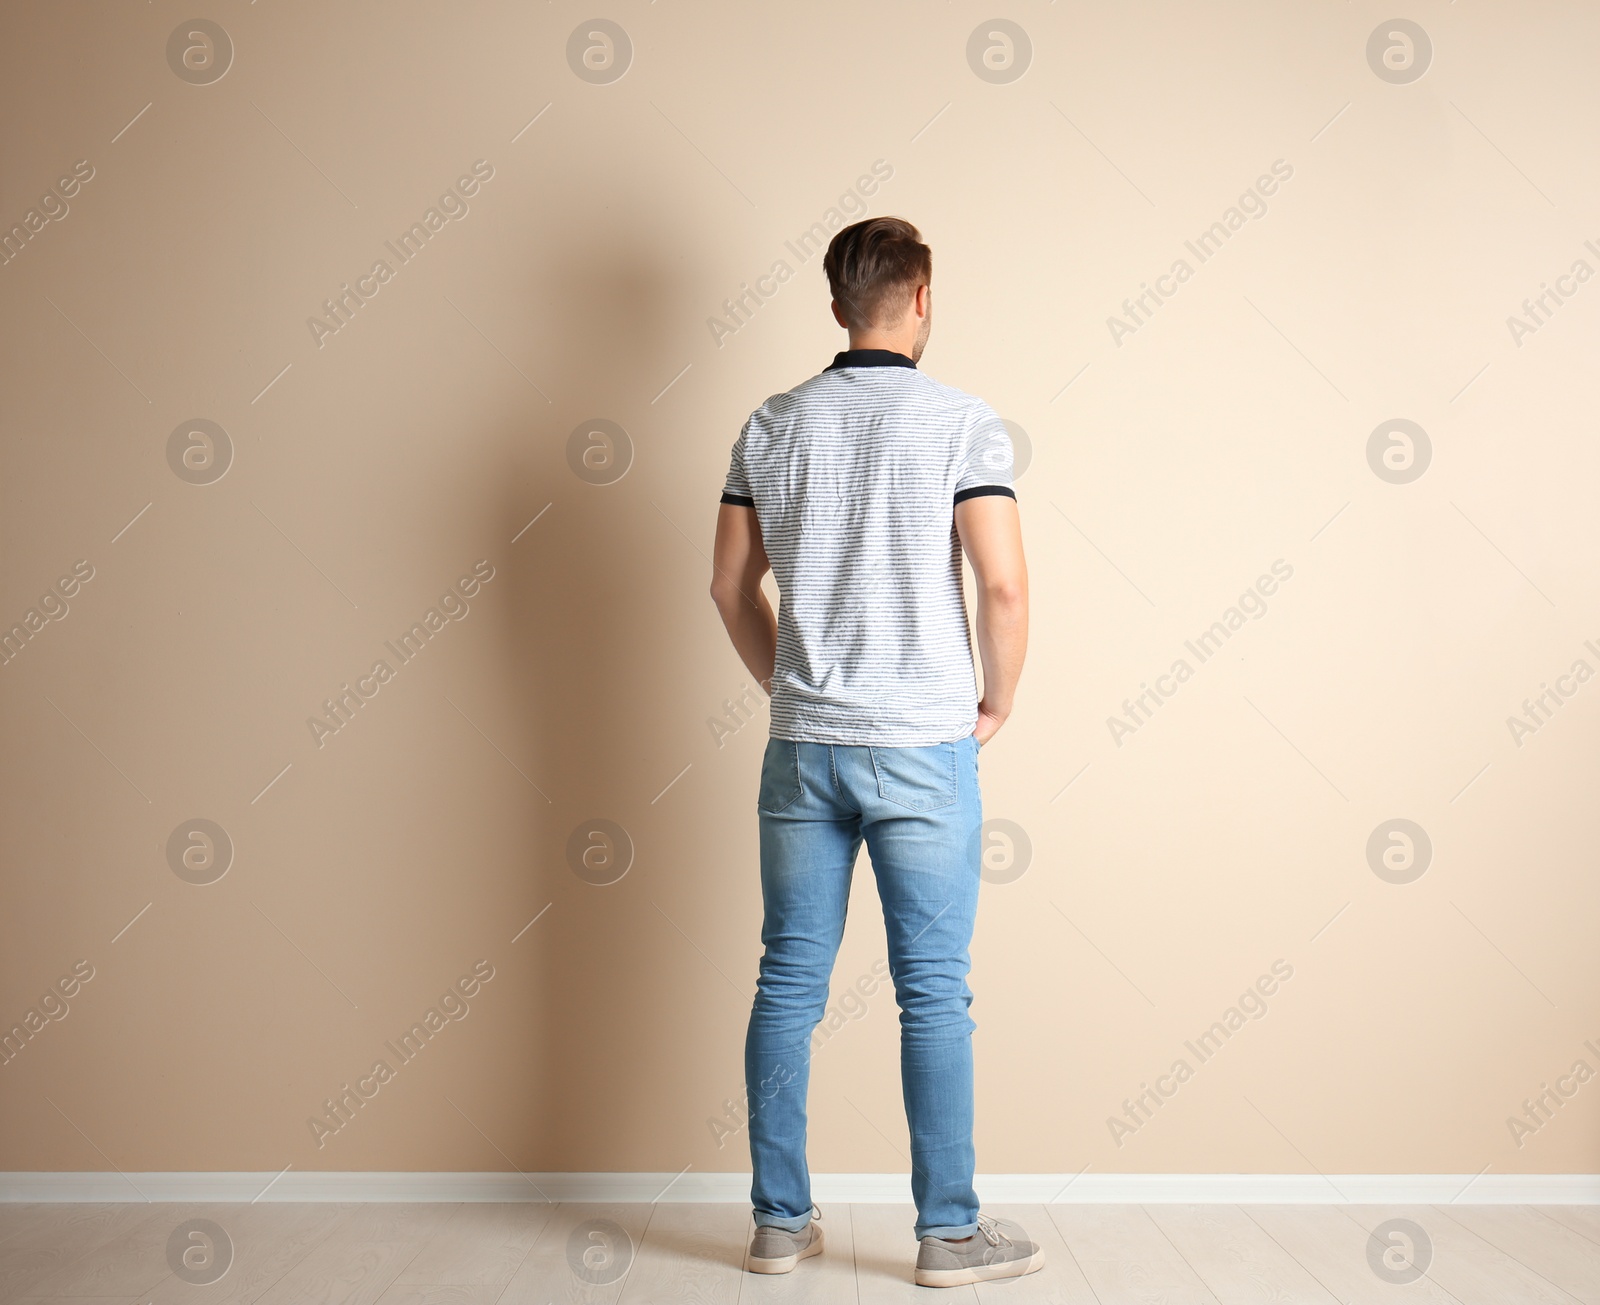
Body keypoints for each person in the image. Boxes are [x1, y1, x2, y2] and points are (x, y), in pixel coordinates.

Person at [709, 216, 1038, 1287]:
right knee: (933, 992)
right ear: (922, 297)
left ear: (837, 303)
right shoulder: (962, 423)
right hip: (922, 746)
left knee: (787, 982)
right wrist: (994, 702)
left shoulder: (770, 424)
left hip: (804, 746)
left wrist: (790, 690)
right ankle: (946, 1236)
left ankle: (776, 1224)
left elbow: (726, 586)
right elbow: (1001, 586)